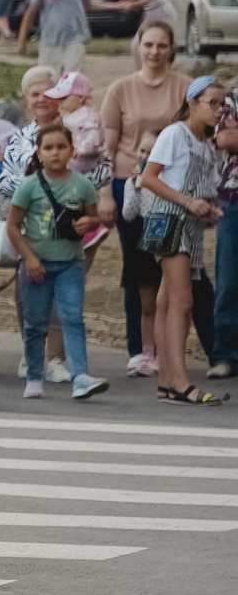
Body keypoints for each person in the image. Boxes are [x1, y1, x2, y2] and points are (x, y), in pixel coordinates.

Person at [135, 77, 228, 405]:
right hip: (169, 221)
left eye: (223, 105)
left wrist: (206, 210)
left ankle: (166, 381)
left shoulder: (206, 144)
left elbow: (193, 187)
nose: (219, 110)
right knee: (182, 302)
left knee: (166, 303)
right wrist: (188, 203)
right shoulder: (175, 133)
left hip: (189, 226)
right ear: (192, 102)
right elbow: (148, 177)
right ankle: (179, 381)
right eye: (212, 103)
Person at [6, 123, 113, 401]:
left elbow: (94, 218)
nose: (56, 153)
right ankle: (33, 376)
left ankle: (80, 377)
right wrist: (28, 259)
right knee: (35, 323)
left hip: (70, 264)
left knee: (72, 318)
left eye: (61, 147)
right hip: (37, 265)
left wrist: (89, 222)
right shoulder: (29, 186)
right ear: (39, 153)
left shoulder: (82, 184)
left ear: (72, 151)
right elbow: (13, 226)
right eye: (49, 148)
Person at [101, 20, 184, 375]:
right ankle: (139, 349)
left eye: (161, 46)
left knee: (177, 268)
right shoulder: (120, 89)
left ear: (171, 48)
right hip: (128, 185)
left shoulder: (184, 87)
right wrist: (105, 192)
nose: (153, 52)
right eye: (147, 45)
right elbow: (106, 146)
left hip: (174, 187)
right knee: (137, 267)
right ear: (138, 46)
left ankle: (171, 346)